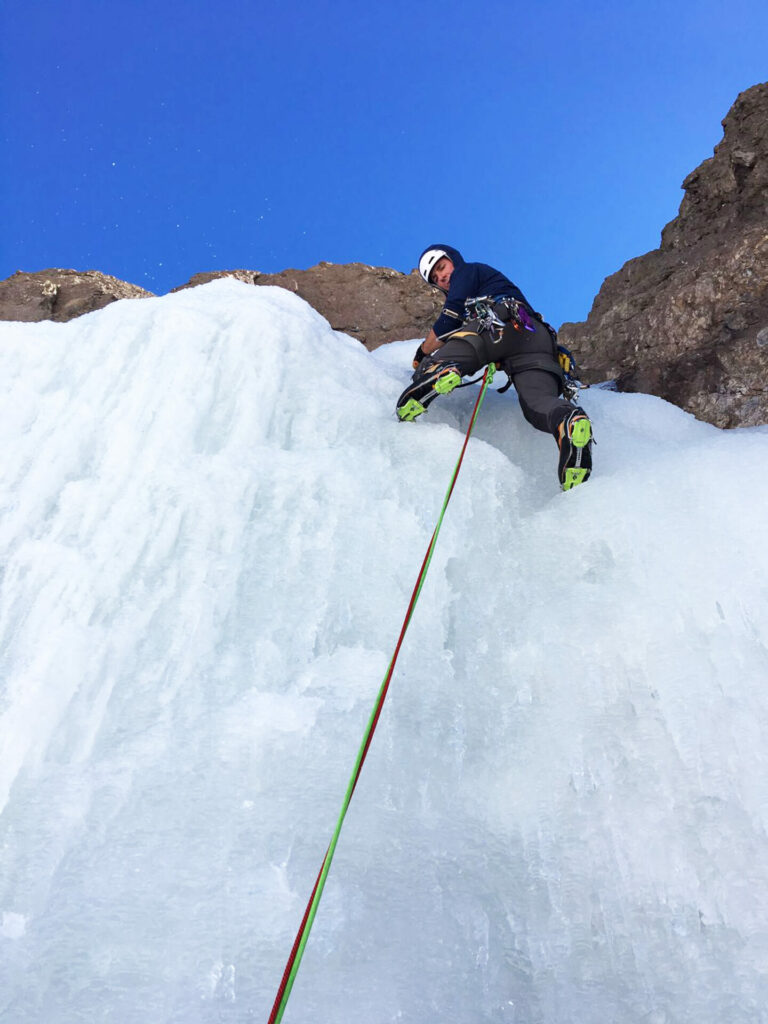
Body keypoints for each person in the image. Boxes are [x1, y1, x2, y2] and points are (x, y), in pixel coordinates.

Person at [396, 244, 593, 491]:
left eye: (442, 267)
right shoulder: (483, 279)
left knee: (459, 348)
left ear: (453, 260)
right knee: (538, 404)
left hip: (499, 321)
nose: (442, 277)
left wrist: (423, 353)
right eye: (435, 278)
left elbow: (450, 320)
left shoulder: (467, 272)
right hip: (536, 337)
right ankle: (569, 422)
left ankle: (440, 370)